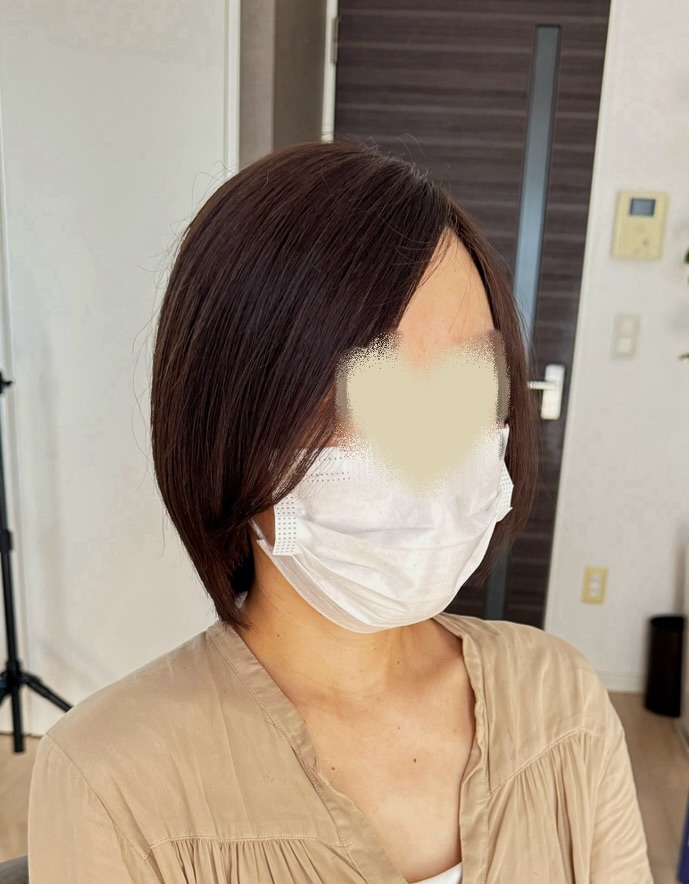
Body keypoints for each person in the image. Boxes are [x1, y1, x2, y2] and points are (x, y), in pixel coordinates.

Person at [27, 140, 653, 883]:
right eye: (370, 392)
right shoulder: (111, 782)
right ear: (233, 425)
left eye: (471, 383)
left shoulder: (562, 700)